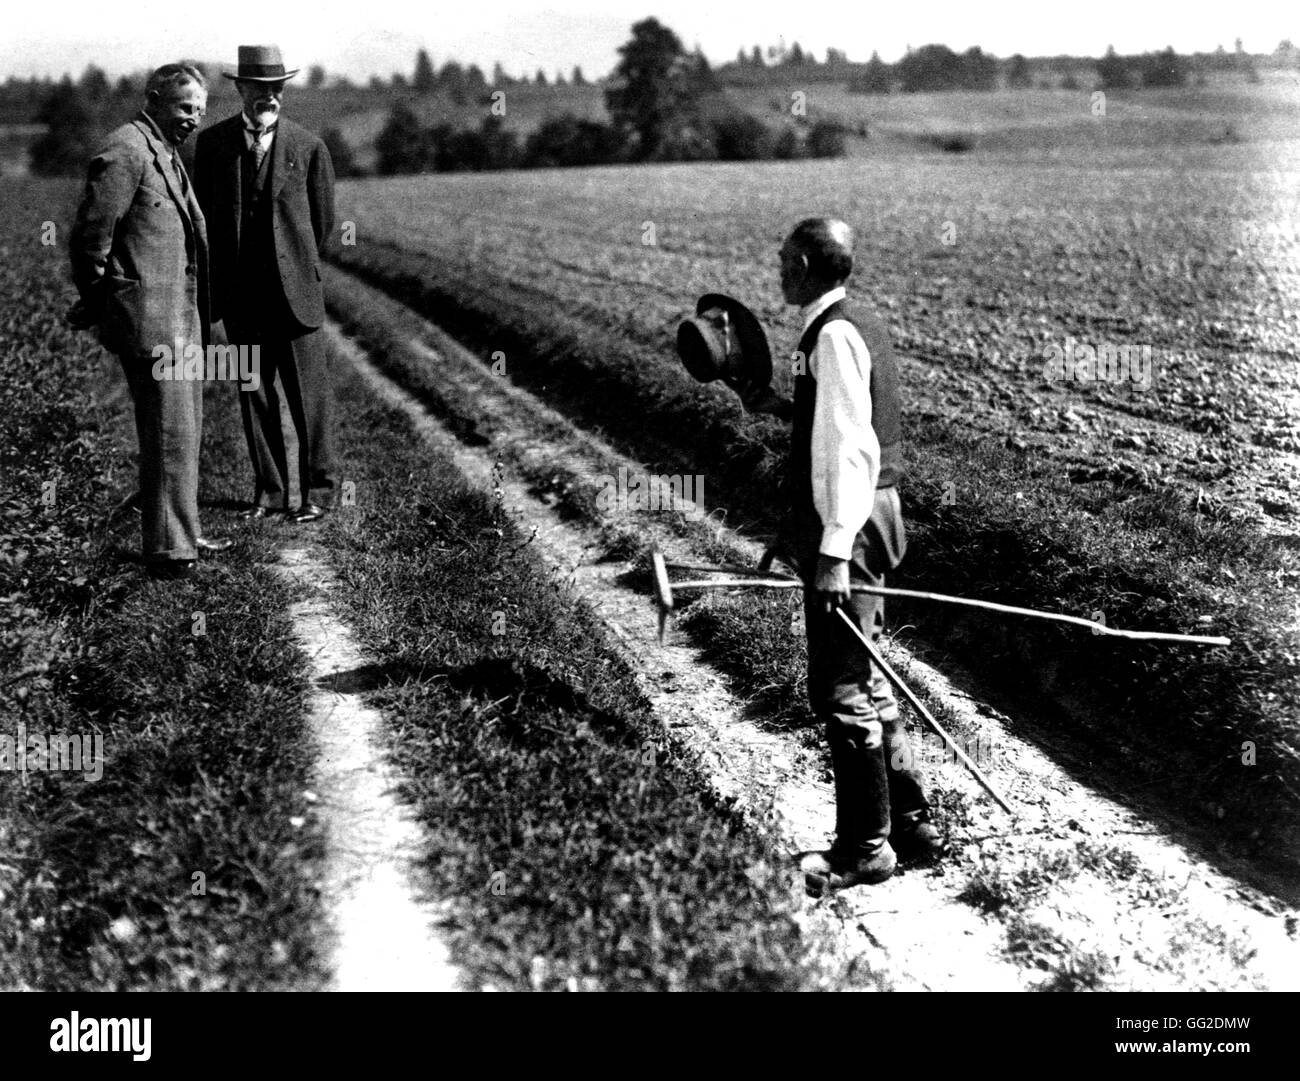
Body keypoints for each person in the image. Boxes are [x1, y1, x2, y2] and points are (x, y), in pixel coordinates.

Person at [743, 218, 945, 894]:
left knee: (843, 689)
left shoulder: (830, 334)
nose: (776, 270)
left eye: (781, 259)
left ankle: (864, 847)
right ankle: (911, 822)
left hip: (852, 529)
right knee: (872, 677)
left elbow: (850, 450)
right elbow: (829, 427)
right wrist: (771, 404)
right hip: (868, 517)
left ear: (803, 262)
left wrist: (831, 551)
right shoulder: (858, 320)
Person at [68, 62, 232, 579]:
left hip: (178, 321)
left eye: (200, 112)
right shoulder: (126, 150)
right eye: (185, 108)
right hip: (150, 324)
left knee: (183, 431)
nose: (193, 120)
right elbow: (92, 241)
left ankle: (184, 534)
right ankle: (168, 554)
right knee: (167, 432)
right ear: (155, 98)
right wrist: (105, 306)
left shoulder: (162, 151)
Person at [194, 44, 337, 523]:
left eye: (276, 87)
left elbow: (322, 227)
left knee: (307, 400)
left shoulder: (308, 146)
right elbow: (204, 222)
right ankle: (270, 492)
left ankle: (317, 494)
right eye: (259, 88)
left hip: (295, 297)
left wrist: (295, 266)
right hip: (240, 299)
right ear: (240, 89)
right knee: (254, 395)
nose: (269, 96)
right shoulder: (212, 147)